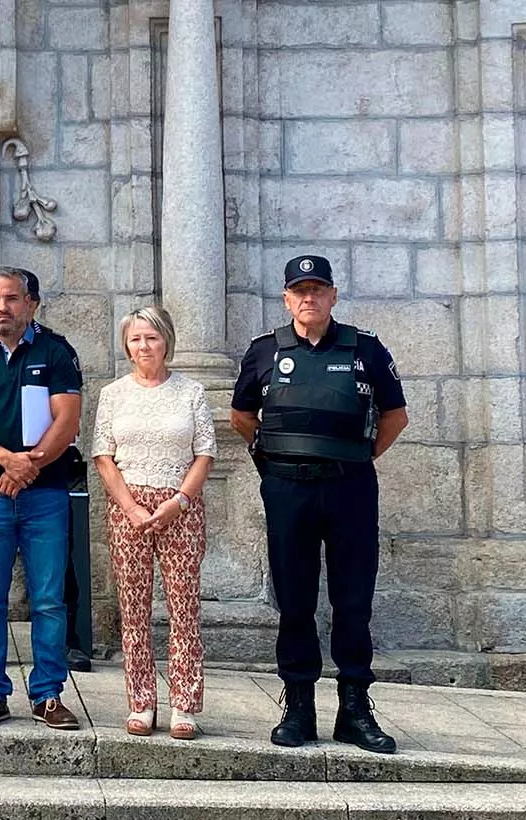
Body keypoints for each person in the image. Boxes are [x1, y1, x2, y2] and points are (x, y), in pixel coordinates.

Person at [231, 255, 408, 755]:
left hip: (350, 486)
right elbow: (243, 414)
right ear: (287, 299)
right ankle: (299, 707)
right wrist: (270, 458)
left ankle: (354, 710)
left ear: (332, 295)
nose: (309, 298)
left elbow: (396, 415)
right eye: (299, 291)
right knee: (295, 599)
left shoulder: (365, 349)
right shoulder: (265, 351)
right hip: (288, 487)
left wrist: (358, 456)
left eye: (318, 289)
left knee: (352, 600)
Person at [0, 266, 83, 731]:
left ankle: (48, 695)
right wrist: (8, 460)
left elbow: (67, 421)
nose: (1, 308)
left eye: (10, 299)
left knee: (48, 599)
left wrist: (29, 466)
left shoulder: (57, 351)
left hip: (45, 494)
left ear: (31, 303)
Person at [91, 306, 215, 740]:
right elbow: (103, 457)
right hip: (130, 507)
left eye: (152, 338)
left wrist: (179, 501)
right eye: (136, 339)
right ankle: (141, 701)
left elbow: (205, 453)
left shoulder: (191, 392)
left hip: (180, 506)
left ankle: (184, 704)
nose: (144, 346)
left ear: (167, 342)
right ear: (127, 346)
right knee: (134, 609)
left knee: (184, 609)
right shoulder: (113, 393)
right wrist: (132, 508)